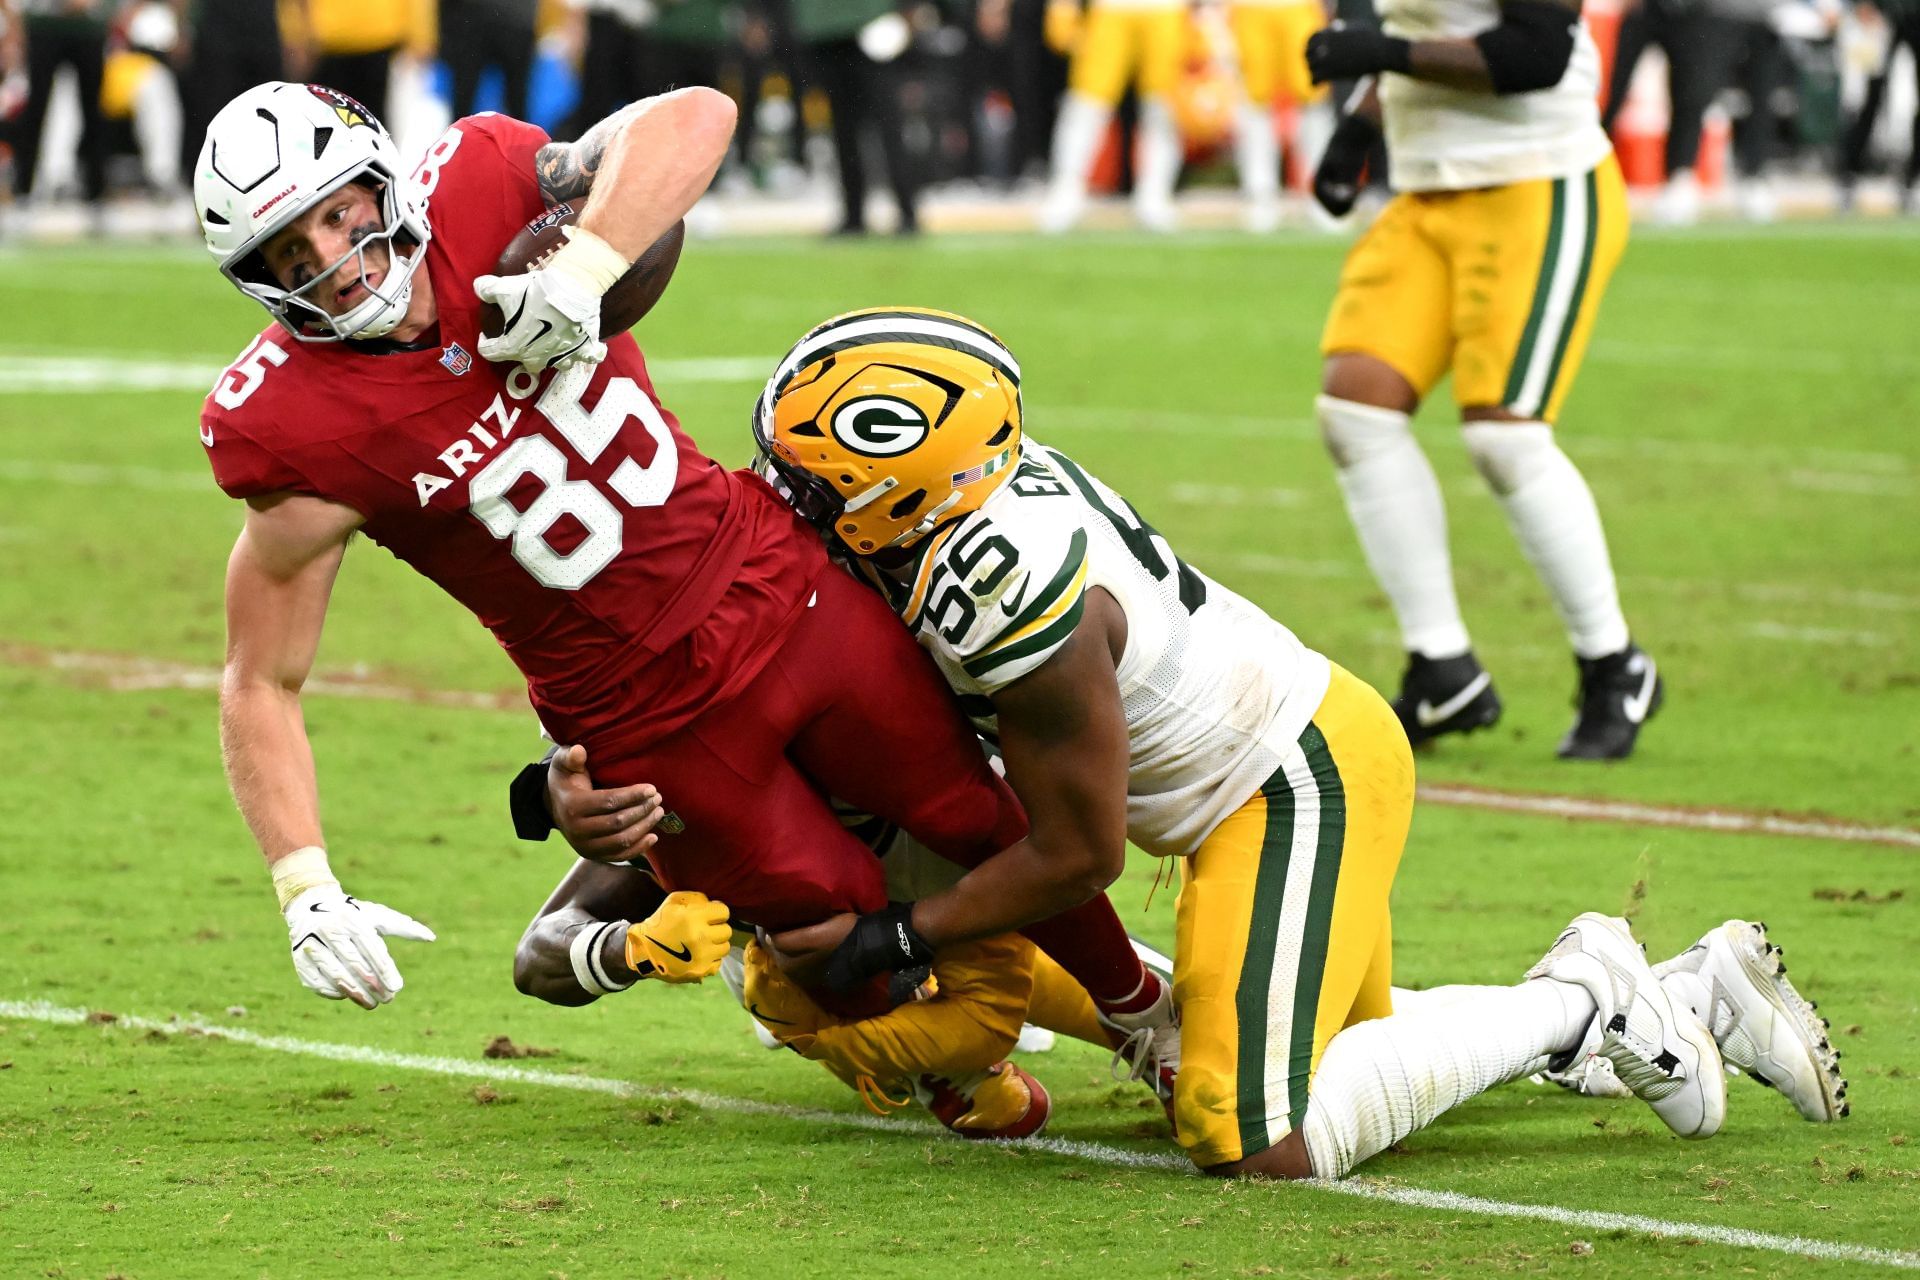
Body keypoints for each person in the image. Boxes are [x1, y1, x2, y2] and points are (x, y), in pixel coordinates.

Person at [517, 310, 1846, 1175]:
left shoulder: (1000, 595)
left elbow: (1079, 851)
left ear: (899, 502)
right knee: (1318, 1064)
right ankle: (1685, 993)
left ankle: (1586, 989)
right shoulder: (924, 535)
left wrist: (900, 943)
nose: (782, 506)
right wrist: (583, 829)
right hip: (1220, 798)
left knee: (1252, 1133)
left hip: (1290, 780)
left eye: (814, 491)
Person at [192, 83, 1166, 1036]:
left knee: (977, 813)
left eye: (336, 213)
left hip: (770, 580)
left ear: (379, 177)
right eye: (289, 249)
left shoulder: (480, 181)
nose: (330, 257)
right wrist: (303, 883)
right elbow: (260, 677)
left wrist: (581, 270)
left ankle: (1139, 1014)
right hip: (637, 712)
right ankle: (947, 1048)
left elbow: (696, 115)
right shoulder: (290, 422)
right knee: (830, 928)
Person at [1303, 0, 1662, 760]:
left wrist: (1377, 54)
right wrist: (1362, 126)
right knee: (1355, 411)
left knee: (1506, 439)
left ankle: (1613, 663)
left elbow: (1535, 56)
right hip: (1430, 186)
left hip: (1538, 181)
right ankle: (1442, 666)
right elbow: (1422, 31)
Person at [1037, 0, 1186, 230]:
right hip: (1110, 10)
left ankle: (1156, 193)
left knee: (1164, 108)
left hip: (1167, 10)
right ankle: (1066, 189)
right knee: (1086, 103)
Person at [3, 0, 111, 209]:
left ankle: (96, 191)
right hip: (45, 26)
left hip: (87, 28)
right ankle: (24, 188)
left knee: (93, 110)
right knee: (36, 107)